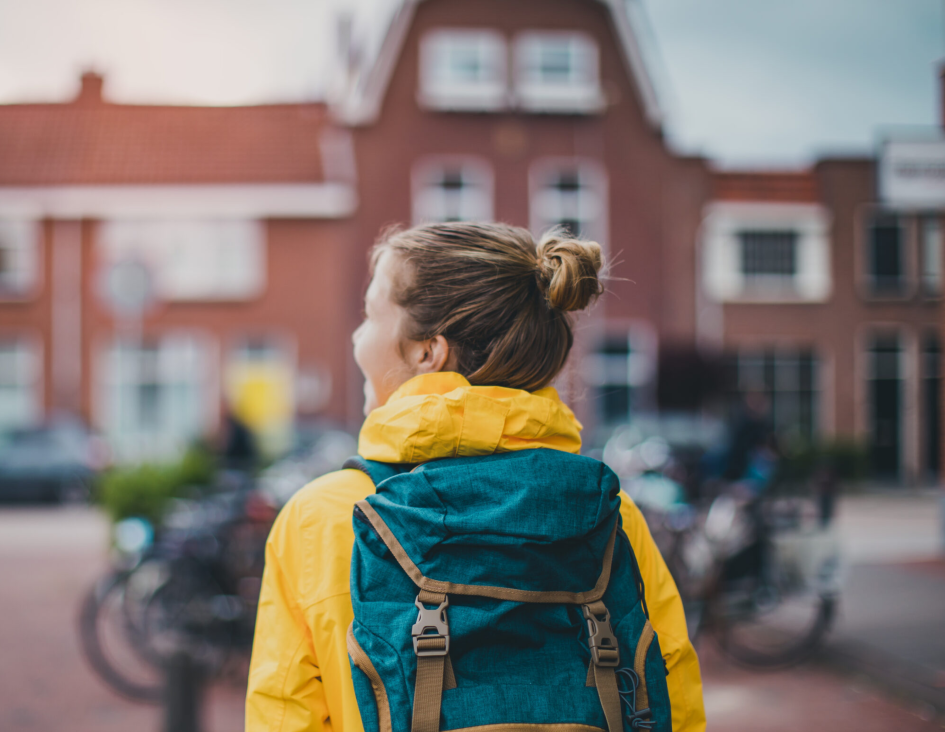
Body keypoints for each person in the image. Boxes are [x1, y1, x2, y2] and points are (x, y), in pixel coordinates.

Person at [245, 222, 706, 732]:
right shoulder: (608, 517)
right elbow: (675, 701)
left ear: (428, 351)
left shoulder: (325, 516)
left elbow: (285, 715)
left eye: (371, 316)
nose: (357, 339)